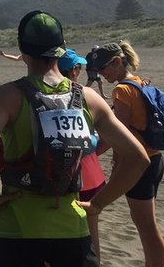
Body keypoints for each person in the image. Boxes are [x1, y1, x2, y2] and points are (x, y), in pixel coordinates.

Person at [0, 11, 149, 267]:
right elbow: (138, 158)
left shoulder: (7, 95)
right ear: (61, 49)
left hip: (19, 226)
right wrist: (98, 203)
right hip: (73, 227)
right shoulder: (88, 97)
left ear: (22, 48)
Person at [90, 41, 164, 266]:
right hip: (155, 160)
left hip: (139, 166)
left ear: (116, 62)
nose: (101, 74)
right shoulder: (139, 82)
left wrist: (91, 156)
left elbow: (118, 135)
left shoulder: (122, 90)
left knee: (146, 225)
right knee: (147, 223)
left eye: (103, 68)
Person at [57, 48, 107, 263]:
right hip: (91, 173)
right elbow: (106, 138)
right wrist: (92, 150)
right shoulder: (86, 96)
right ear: (74, 70)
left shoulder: (49, 97)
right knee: (91, 236)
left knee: (60, 236)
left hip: (66, 175)